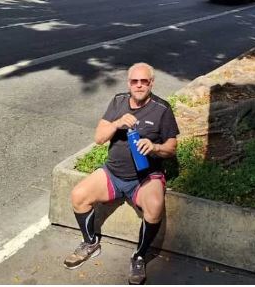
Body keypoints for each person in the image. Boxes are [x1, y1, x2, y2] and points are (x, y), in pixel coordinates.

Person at [64, 63, 179, 284]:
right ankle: (90, 243)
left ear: (151, 83)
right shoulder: (118, 102)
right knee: (79, 195)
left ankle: (139, 257)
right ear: (128, 83)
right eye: (134, 81)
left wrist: (154, 147)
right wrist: (117, 123)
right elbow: (98, 138)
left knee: (154, 206)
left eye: (144, 81)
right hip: (113, 173)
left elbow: (172, 148)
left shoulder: (161, 109)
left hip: (145, 178)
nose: (139, 85)